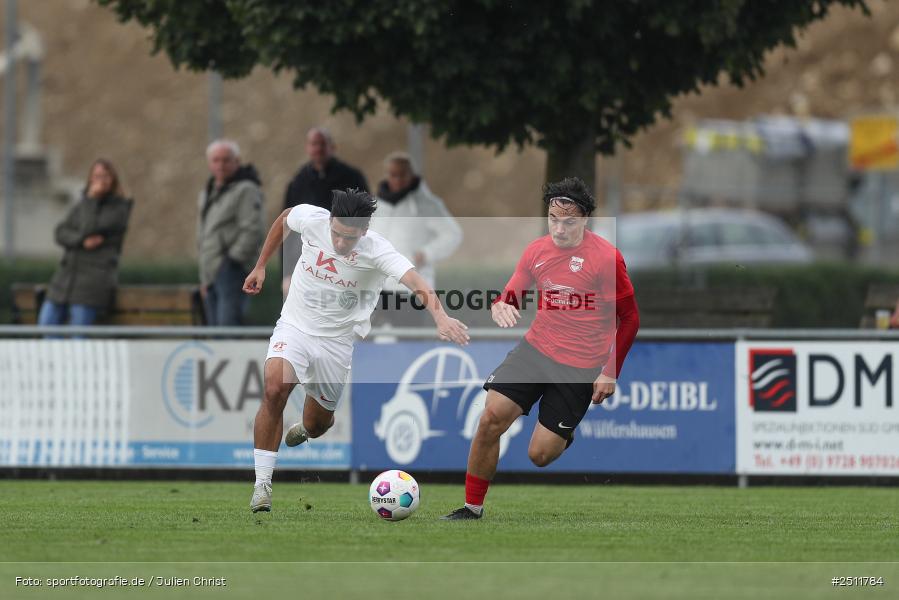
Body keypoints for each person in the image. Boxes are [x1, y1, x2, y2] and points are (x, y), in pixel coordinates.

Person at [244, 188, 470, 513]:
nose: (339, 243)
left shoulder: (377, 250)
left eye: (348, 238)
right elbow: (285, 218)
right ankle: (262, 485)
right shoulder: (313, 219)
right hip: (294, 328)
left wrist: (441, 316)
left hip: (336, 343)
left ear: (364, 231)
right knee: (274, 388)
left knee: (317, 424)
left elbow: (415, 280)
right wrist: (261, 266)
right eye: (335, 233)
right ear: (330, 221)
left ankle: (307, 429)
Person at [441, 177, 640, 520]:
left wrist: (610, 372)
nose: (559, 229)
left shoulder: (606, 258)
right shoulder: (536, 251)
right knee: (490, 418)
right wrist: (501, 305)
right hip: (536, 351)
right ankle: (471, 508)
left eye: (569, 222)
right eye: (553, 219)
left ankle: (562, 433)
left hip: (579, 367)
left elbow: (630, 318)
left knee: (540, 456)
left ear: (585, 220)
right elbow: (511, 294)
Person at [369, 151, 462, 327]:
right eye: (393, 175)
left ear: (411, 175)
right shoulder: (376, 205)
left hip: (411, 288)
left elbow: (452, 234)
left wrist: (426, 254)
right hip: (377, 285)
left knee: (408, 337)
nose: (397, 180)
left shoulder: (428, 205)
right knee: (368, 335)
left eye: (402, 175)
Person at [39, 159, 132, 327]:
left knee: (78, 334)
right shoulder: (81, 205)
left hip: (92, 284)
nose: (100, 181)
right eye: (96, 176)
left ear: (113, 180)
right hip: (65, 281)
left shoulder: (119, 208)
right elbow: (60, 232)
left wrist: (91, 199)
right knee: (46, 324)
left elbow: (90, 228)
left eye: (105, 176)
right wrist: (81, 241)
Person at [281, 127, 369, 295]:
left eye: (322, 144)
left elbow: (365, 220)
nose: (318, 149)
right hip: (306, 261)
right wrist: (286, 273)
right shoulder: (298, 182)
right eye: (314, 144)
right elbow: (286, 227)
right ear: (307, 148)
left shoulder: (352, 177)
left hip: (343, 260)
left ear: (332, 147)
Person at [197, 139, 265, 326]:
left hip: (232, 271)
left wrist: (231, 262)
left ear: (237, 161)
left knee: (228, 330)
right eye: (216, 160)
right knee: (215, 332)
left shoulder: (246, 190)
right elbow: (204, 234)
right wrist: (205, 276)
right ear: (209, 163)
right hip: (211, 273)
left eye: (226, 160)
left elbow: (253, 230)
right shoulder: (208, 191)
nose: (221, 165)